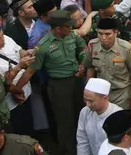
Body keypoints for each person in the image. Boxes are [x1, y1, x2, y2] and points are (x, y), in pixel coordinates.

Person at [16, 10, 86, 155]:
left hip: (77, 81)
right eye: (68, 26)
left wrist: (82, 63)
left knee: (83, 114)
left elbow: (82, 49)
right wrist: (15, 88)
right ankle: (69, 150)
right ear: (58, 28)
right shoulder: (43, 46)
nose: (71, 28)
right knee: (65, 122)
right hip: (59, 86)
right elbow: (30, 71)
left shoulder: (72, 36)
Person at [84, 18, 131, 110]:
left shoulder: (126, 48)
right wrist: (88, 91)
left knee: (120, 121)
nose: (103, 37)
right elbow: (90, 68)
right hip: (101, 93)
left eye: (107, 34)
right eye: (100, 34)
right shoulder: (92, 46)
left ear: (115, 33)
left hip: (121, 94)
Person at [77, 78, 131, 155]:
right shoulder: (85, 112)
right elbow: (82, 140)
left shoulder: (120, 116)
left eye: (91, 101)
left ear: (105, 98)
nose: (87, 104)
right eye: (85, 100)